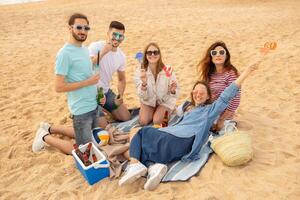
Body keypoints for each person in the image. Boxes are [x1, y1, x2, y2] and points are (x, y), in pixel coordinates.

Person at [118, 60, 261, 191]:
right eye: (195, 92)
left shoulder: (209, 111)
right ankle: (153, 167)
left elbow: (226, 96)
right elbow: (174, 109)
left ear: (208, 97)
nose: (198, 95)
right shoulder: (188, 110)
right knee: (132, 152)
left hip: (179, 139)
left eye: (202, 93)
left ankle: (136, 165)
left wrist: (246, 73)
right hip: (179, 147)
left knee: (139, 131)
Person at [32, 13, 104, 154]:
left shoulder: (84, 49)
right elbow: (58, 87)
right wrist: (88, 82)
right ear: (70, 28)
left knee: (93, 140)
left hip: (94, 104)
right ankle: (45, 137)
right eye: (79, 27)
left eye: (86, 28)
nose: (83, 31)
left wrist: (99, 95)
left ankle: (51, 128)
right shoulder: (64, 54)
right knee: (86, 152)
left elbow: (87, 76)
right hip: (80, 109)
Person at [89, 21, 131, 122]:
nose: (117, 38)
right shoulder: (95, 46)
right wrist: (103, 52)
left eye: (120, 36)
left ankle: (104, 108)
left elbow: (121, 79)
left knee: (126, 117)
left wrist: (120, 95)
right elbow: (88, 65)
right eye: (114, 34)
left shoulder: (121, 56)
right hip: (89, 92)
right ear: (108, 33)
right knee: (102, 123)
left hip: (105, 92)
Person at [197, 41, 240, 132]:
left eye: (221, 52)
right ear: (211, 57)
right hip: (209, 110)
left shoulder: (231, 73)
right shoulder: (209, 73)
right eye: (214, 53)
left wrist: (222, 120)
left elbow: (235, 100)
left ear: (226, 56)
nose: (218, 55)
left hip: (222, 115)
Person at [134, 42, 179, 126]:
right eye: (149, 52)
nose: (152, 55)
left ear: (159, 54)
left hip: (164, 101)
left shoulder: (167, 70)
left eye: (155, 52)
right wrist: (144, 83)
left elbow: (176, 93)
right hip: (148, 101)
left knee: (157, 121)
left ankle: (168, 110)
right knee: (143, 121)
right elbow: (142, 96)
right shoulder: (139, 72)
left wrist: (173, 90)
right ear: (146, 55)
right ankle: (154, 110)